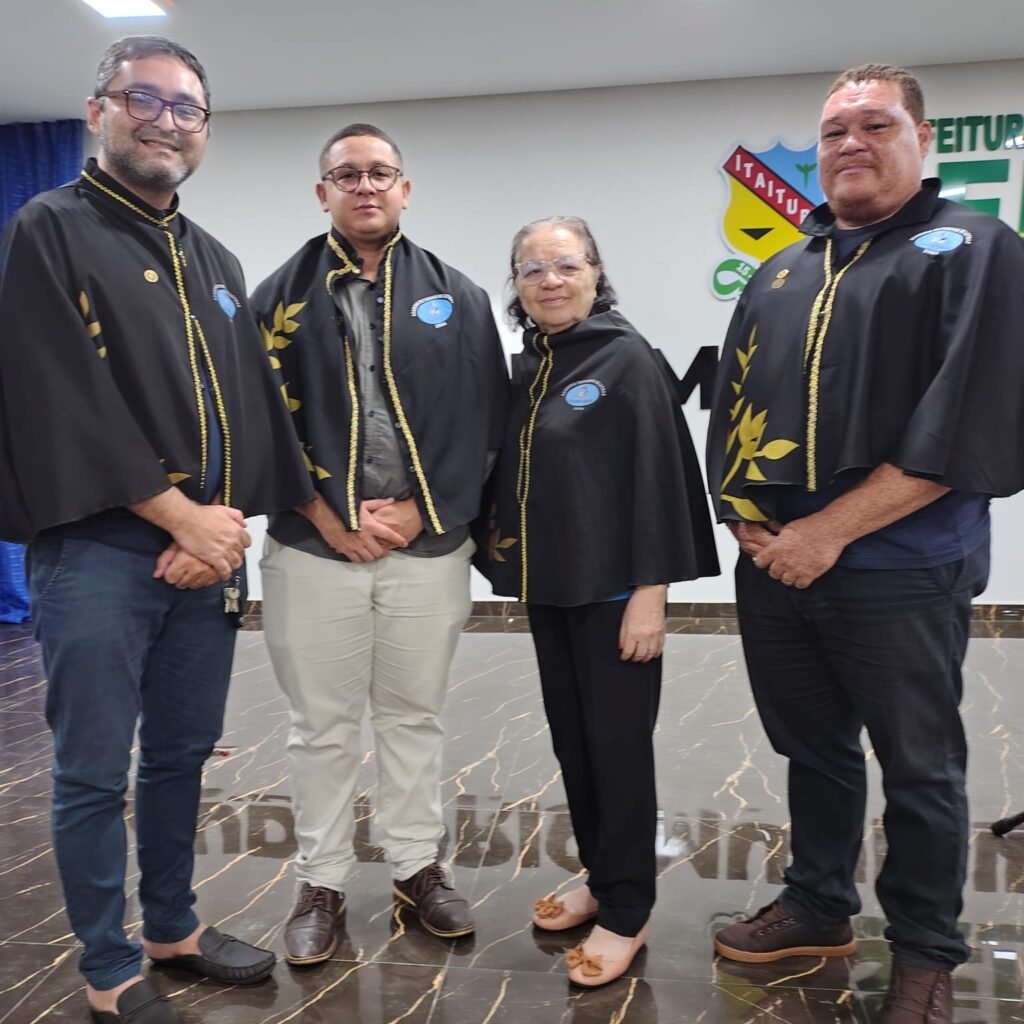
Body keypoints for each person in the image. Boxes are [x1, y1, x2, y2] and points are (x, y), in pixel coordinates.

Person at [0, 35, 313, 1024]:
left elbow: (249, 409)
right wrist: (181, 515)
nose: (166, 121)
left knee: (181, 754)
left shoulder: (214, 259)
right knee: (94, 771)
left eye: (186, 108)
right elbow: (58, 394)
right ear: (99, 110)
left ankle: (172, 927)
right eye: (145, 99)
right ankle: (107, 968)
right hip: (97, 553)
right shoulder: (48, 228)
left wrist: (224, 528)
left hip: (202, 559)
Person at [705, 64, 1024, 1024]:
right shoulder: (782, 268)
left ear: (921, 139)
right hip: (778, 571)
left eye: (875, 124)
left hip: (901, 569)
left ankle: (925, 952)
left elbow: (968, 421)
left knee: (919, 767)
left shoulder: (973, 249)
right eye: (834, 130)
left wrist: (826, 532)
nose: (851, 142)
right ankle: (817, 904)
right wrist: (747, 523)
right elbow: (732, 405)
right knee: (814, 750)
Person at [250, 123, 509, 962]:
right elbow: (258, 423)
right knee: (320, 726)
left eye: (380, 173)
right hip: (313, 547)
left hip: (426, 549)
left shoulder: (458, 296)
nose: (365, 186)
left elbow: (487, 421)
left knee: (412, 717)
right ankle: (320, 881)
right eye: (347, 174)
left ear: (405, 188)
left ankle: (415, 867)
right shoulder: (275, 298)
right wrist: (326, 515)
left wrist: (423, 514)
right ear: (321, 192)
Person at [477, 216, 719, 987]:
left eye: (565, 264)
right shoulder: (533, 363)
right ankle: (602, 875)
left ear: (595, 273)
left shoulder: (626, 358)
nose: (549, 280)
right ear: (516, 285)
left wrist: (651, 595)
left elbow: (660, 478)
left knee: (618, 752)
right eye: (531, 269)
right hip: (553, 589)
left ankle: (628, 909)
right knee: (574, 744)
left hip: (616, 594)